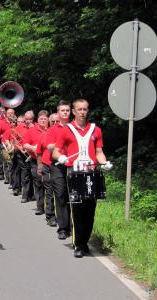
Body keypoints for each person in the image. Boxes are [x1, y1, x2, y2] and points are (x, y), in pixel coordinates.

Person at [53, 98, 112, 258]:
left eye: (85, 109)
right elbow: (56, 151)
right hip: (74, 173)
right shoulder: (66, 130)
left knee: (90, 210)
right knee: (77, 209)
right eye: (79, 109)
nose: (82, 112)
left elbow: (99, 152)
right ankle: (80, 244)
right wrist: (62, 158)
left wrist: (104, 162)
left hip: (91, 173)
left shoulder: (96, 130)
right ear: (73, 111)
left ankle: (84, 241)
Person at [46, 100, 72, 240]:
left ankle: (73, 226)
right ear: (58, 112)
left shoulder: (74, 127)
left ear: (71, 111)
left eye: (67, 110)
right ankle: (63, 228)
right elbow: (50, 147)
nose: (65, 112)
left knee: (73, 196)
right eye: (63, 110)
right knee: (61, 195)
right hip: (57, 165)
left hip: (72, 164)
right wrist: (62, 144)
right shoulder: (53, 129)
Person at [23, 110, 49, 215]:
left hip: (49, 161)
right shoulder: (31, 131)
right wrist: (33, 148)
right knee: (38, 184)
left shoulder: (51, 130)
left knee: (50, 186)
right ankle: (40, 207)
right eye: (41, 119)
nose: (43, 121)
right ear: (37, 120)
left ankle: (50, 209)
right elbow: (24, 144)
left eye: (45, 119)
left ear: (48, 120)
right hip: (35, 161)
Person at [36, 113, 59, 226]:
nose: (55, 123)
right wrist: (39, 166)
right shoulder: (44, 135)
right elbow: (39, 152)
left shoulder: (64, 133)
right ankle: (50, 216)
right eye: (53, 121)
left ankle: (62, 217)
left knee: (60, 193)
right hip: (47, 166)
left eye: (57, 121)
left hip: (60, 167)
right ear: (49, 122)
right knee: (49, 191)